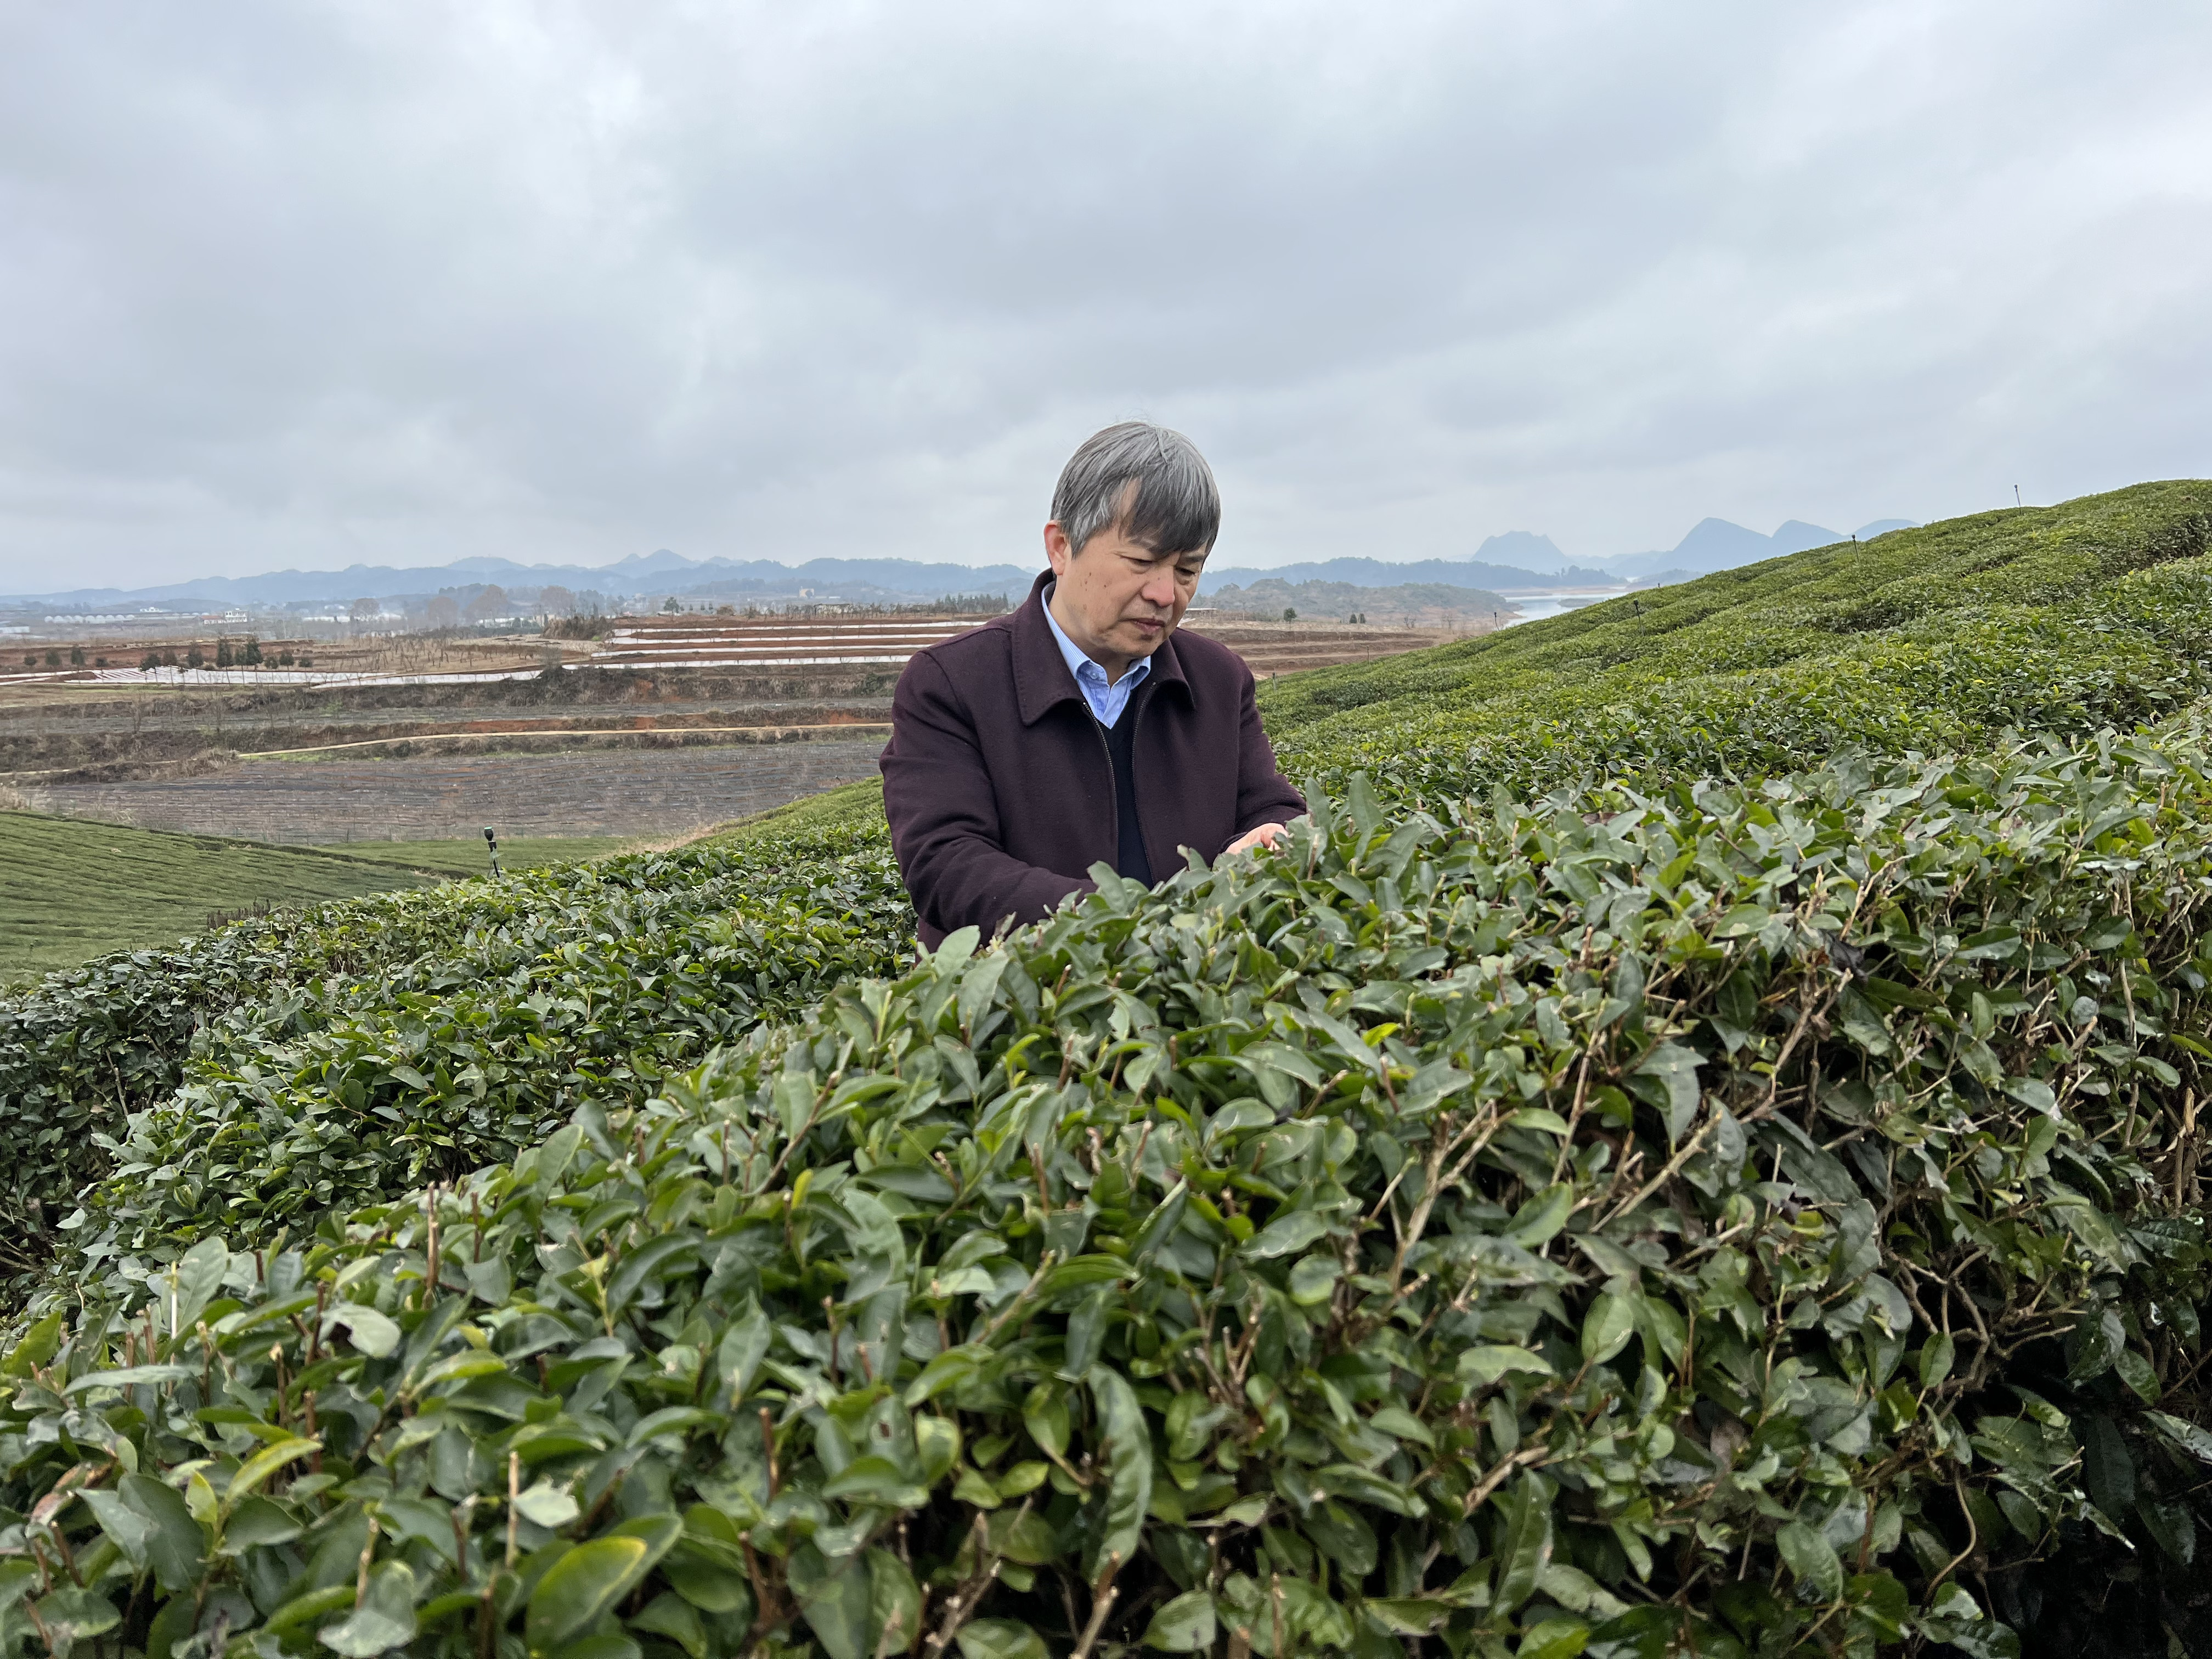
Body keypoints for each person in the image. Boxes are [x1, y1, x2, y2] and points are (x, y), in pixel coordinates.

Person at [879, 421, 1307, 948]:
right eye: (1142, 561)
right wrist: (1126, 921)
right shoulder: (951, 683)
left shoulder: (1218, 679)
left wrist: (1272, 839)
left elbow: (1270, 807)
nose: (1164, 594)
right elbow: (945, 864)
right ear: (1061, 547)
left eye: (1187, 570)